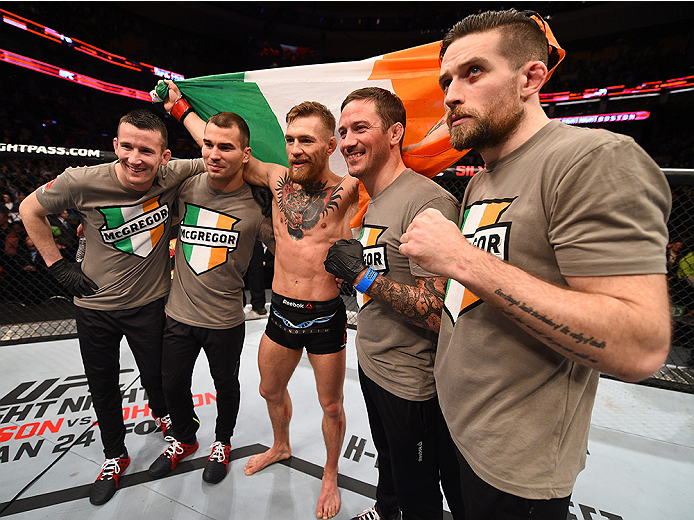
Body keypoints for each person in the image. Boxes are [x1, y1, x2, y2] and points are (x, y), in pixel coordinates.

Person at [398, 10, 671, 520]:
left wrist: (462, 258)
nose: (452, 94)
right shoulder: (484, 176)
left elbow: (640, 344)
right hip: (462, 426)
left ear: (531, 77)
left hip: (517, 463)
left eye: (473, 72)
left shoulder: (593, 159)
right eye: (447, 81)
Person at [163, 80, 359, 519]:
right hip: (282, 311)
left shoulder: (351, 188)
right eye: (290, 139)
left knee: (331, 404)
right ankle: (281, 444)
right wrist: (179, 109)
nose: (295, 148)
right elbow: (221, 145)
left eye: (306, 140)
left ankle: (330, 472)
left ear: (331, 145)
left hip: (325, 313)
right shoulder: (275, 179)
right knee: (270, 389)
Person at [19, 109, 206, 506]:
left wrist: (182, 109)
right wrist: (57, 266)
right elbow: (28, 210)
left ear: (165, 157)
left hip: (150, 303)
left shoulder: (173, 175)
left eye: (147, 151)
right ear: (116, 145)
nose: (136, 158)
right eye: (128, 147)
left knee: (161, 376)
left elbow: (217, 150)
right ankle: (113, 454)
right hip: (94, 308)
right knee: (102, 386)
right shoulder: (82, 180)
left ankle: (171, 422)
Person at [323, 87, 463, 520]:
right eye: (343, 131)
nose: (347, 141)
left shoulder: (426, 201)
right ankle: (386, 509)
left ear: (395, 133)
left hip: (412, 383)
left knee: (420, 490)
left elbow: (439, 311)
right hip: (374, 363)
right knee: (389, 463)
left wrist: (362, 275)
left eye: (360, 128)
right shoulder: (373, 199)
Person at [147, 111, 274, 484]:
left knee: (226, 385)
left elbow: (285, 247)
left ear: (246, 154)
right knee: (171, 384)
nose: (214, 154)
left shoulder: (257, 206)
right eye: (209, 144)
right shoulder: (185, 185)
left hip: (224, 320)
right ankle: (184, 438)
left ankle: (223, 441)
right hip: (180, 313)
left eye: (226, 147)